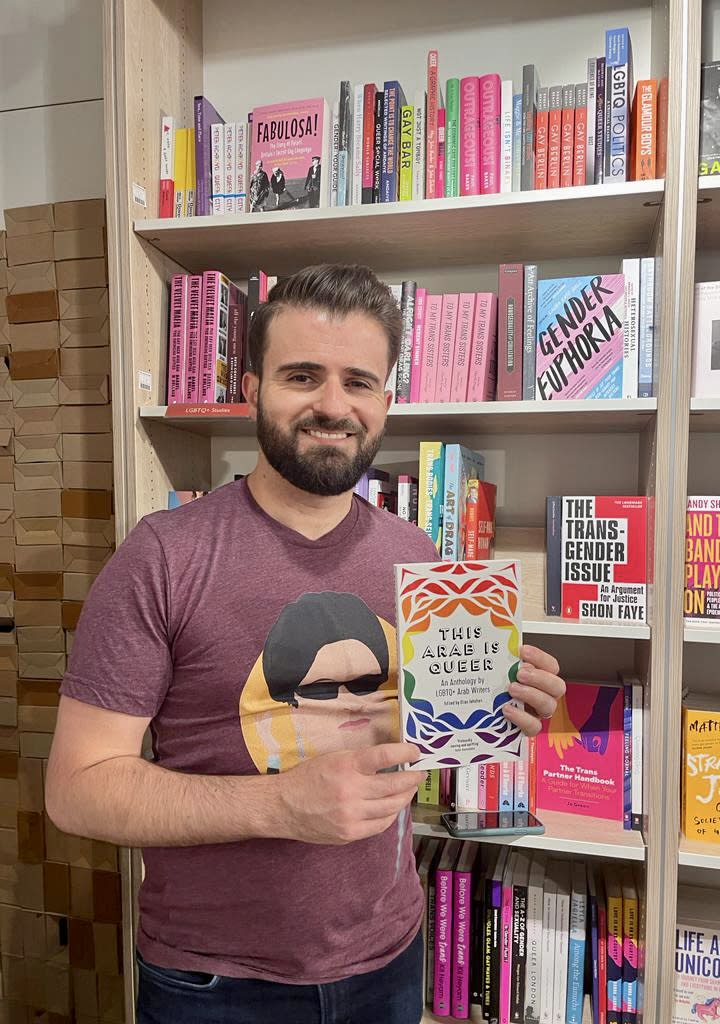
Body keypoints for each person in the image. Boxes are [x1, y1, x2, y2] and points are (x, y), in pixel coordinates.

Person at [45, 264, 566, 1024]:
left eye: (359, 381)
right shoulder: (163, 556)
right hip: (216, 984)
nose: (333, 405)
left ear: (387, 401)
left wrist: (501, 703)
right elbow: (76, 788)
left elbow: (421, 737)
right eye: (301, 375)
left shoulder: (418, 554)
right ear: (251, 388)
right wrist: (280, 802)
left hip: (390, 955)